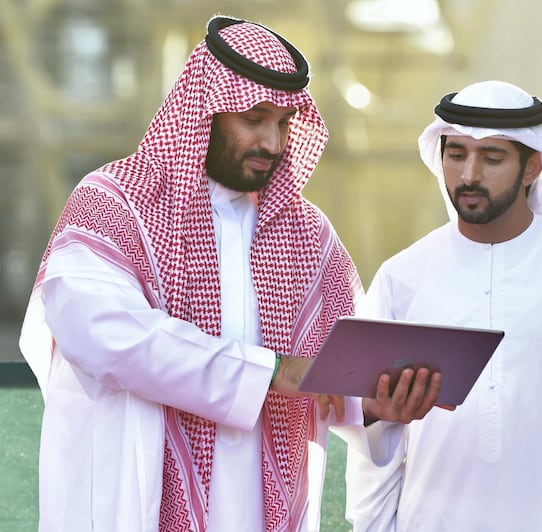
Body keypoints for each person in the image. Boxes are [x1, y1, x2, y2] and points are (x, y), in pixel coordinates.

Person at [18, 16, 441, 532]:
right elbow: (103, 334)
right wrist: (270, 371)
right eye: (254, 118)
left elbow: (338, 372)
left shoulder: (306, 233)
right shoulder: (115, 202)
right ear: (206, 111)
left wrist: (376, 404)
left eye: (285, 123)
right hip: (132, 508)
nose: (273, 142)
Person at [342, 80, 542, 532]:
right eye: (456, 155)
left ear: (532, 167)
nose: (469, 175)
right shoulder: (402, 276)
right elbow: (376, 436)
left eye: (491, 158)